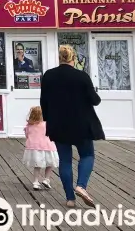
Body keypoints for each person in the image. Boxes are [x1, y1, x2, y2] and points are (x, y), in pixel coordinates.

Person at [40, 44, 104, 208]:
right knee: (87, 155)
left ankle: (70, 199)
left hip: (58, 125)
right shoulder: (81, 76)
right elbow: (95, 100)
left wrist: (49, 120)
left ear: (60, 58)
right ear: (73, 59)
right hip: (82, 125)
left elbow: (44, 102)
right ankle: (81, 186)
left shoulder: (48, 75)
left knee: (65, 161)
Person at [22, 105, 59, 191]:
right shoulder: (47, 124)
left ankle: (35, 182)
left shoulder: (29, 125)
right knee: (50, 164)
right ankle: (46, 179)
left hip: (34, 148)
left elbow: (27, 135)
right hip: (48, 147)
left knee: (37, 166)